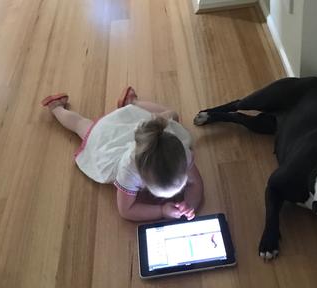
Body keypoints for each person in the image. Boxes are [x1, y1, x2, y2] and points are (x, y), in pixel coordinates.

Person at [41, 87, 203, 221]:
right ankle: (56, 108)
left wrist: (189, 205)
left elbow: (195, 183)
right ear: (143, 179)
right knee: (81, 125)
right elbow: (126, 210)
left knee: (172, 115)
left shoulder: (180, 152)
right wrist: (161, 211)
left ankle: (132, 104)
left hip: (143, 127)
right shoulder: (128, 171)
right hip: (108, 138)